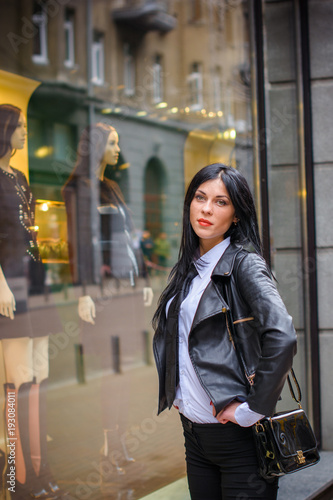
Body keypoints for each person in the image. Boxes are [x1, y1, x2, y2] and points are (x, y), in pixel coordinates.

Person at [152, 163, 297, 500]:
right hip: (195, 438)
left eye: (221, 202)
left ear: (236, 215)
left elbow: (283, 335)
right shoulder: (191, 269)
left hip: (239, 444)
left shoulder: (243, 264)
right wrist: (179, 393)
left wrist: (253, 410)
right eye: (200, 197)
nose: (206, 209)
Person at [62, 123, 153, 478]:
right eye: (113, 143)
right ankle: (108, 443)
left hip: (125, 291)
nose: (118, 149)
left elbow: (129, 238)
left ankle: (118, 440)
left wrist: (143, 276)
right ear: (97, 146)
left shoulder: (111, 187)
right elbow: (77, 244)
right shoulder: (77, 189)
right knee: (110, 371)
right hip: (103, 294)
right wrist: (83, 290)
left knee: (125, 368)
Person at [0, 104, 65, 499]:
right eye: (19, 126)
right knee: (17, 382)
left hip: (35, 283)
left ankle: (39, 467)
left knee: (38, 377)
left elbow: (32, 234)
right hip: (10, 286)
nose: (25, 132)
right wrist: (0, 283)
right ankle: (17, 477)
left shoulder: (20, 177)